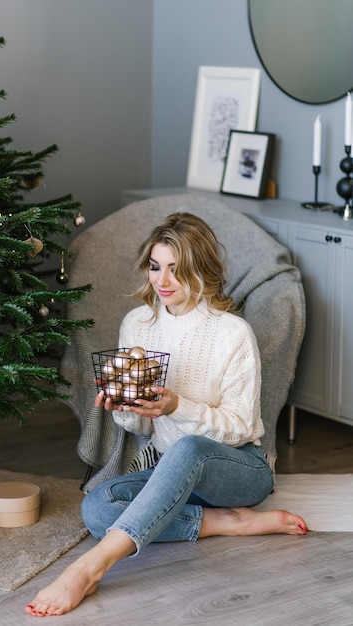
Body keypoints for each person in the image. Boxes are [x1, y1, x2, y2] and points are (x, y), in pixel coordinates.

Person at [25, 212, 308, 618]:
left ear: (201, 271)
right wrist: (127, 408)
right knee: (98, 506)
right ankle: (226, 523)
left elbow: (243, 426)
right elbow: (143, 427)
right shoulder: (138, 324)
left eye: (177, 270)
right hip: (171, 472)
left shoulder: (232, 333)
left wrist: (178, 406)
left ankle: (90, 567)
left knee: (190, 446)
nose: (163, 281)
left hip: (236, 468)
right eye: (156, 267)